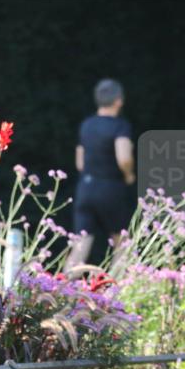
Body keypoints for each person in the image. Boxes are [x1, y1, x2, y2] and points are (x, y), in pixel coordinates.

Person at [65, 78, 136, 274]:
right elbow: (124, 158)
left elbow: (80, 163)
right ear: (119, 101)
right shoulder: (120, 126)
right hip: (110, 189)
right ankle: (115, 288)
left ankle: (60, 288)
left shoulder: (86, 125)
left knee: (80, 245)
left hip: (86, 188)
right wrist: (129, 175)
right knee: (122, 243)